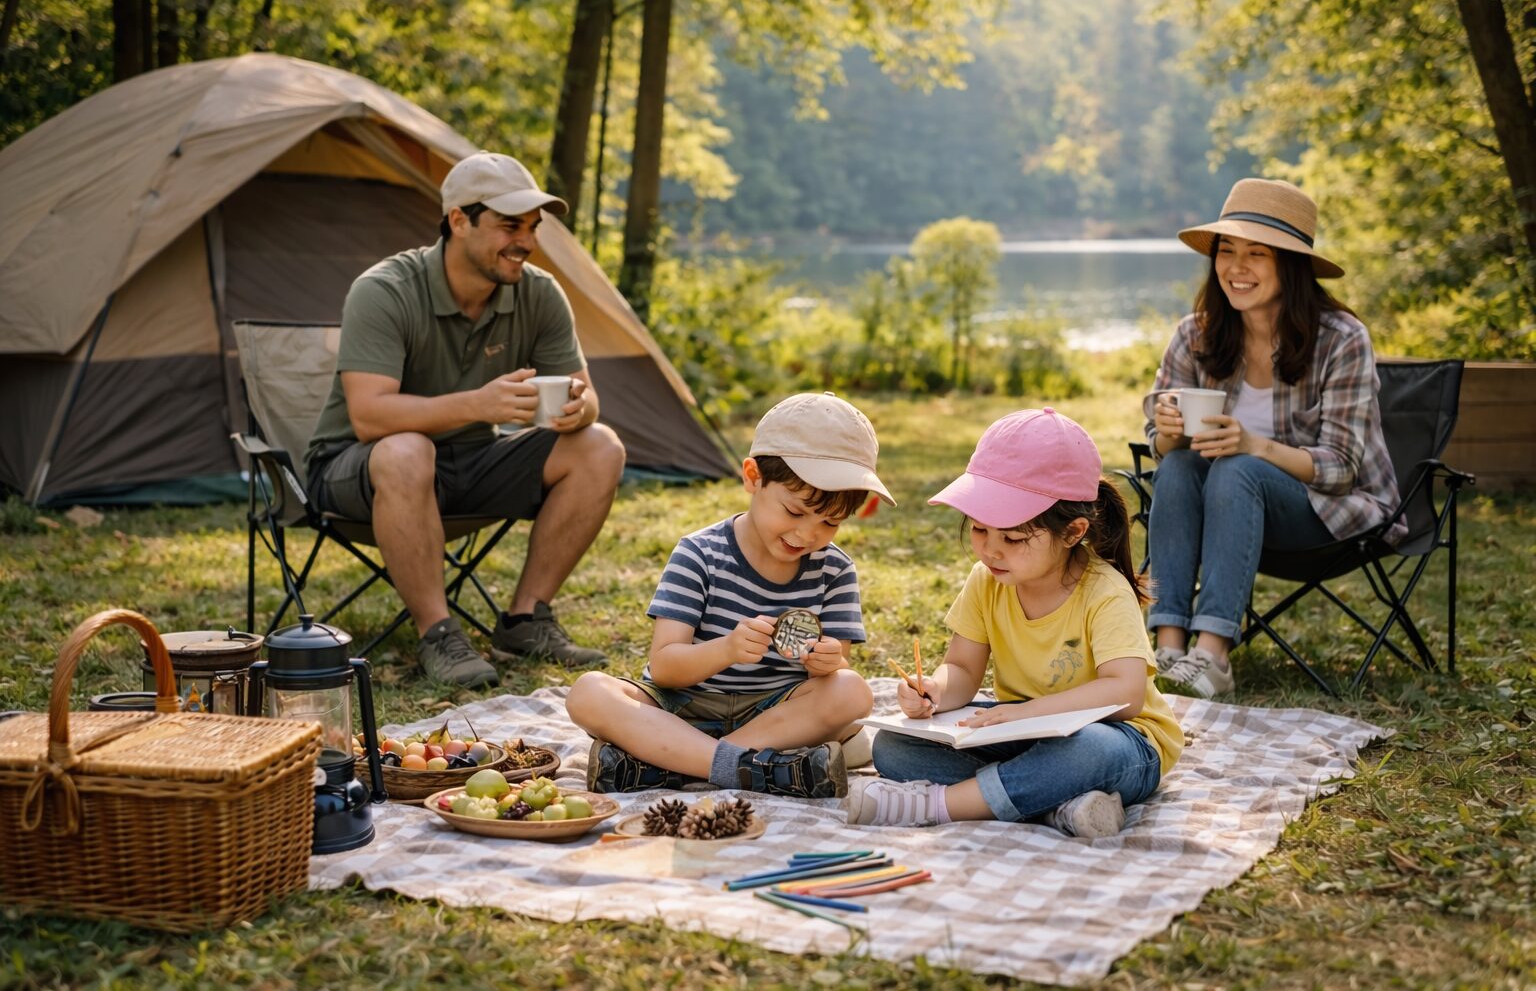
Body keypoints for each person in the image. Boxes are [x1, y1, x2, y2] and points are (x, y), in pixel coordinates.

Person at [304, 151, 626, 689]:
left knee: (600, 446)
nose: (525, 240)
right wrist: (476, 404)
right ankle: (438, 634)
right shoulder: (385, 290)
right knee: (409, 449)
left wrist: (576, 407)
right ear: (459, 220)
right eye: (508, 225)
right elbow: (368, 415)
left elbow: (587, 398)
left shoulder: (539, 293)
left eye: (532, 227)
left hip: (473, 462)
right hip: (357, 469)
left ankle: (524, 620)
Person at [846, 408, 1182, 838]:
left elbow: (1126, 694)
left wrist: (1024, 712)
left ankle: (938, 805)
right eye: (980, 530)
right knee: (896, 746)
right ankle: (1055, 805)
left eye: (1013, 538)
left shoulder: (1105, 590)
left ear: (1074, 531)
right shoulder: (987, 582)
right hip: (1023, 730)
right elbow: (964, 670)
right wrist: (935, 691)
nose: (991, 550)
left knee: (1089, 752)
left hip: (1123, 740)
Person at [1144, 178, 1403, 698]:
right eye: (1227, 251)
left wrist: (1254, 445)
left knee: (1238, 466)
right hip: (1223, 513)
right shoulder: (1195, 333)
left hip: (1325, 511)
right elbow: (1159, 436)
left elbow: (1342, 468)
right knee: (1178, 465)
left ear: (1291, 264)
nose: (1236, 268)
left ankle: (1213, 653)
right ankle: (1169, 645)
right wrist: (1168, 433)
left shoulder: (1342, 339)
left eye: (1256, 254)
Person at [565, 392, 894, 798]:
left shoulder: (835, 569)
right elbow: (665, 668)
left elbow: (835, 666)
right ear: (753, 478)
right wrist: (728, 649)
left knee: (852, 690)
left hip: (773, 714)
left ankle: (672, 766)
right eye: (794, 512)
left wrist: (828, 661)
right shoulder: (700, 553)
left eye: (830, 522)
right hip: (682, 709)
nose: (808, 534)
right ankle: (752, 768)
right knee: (589, 693)